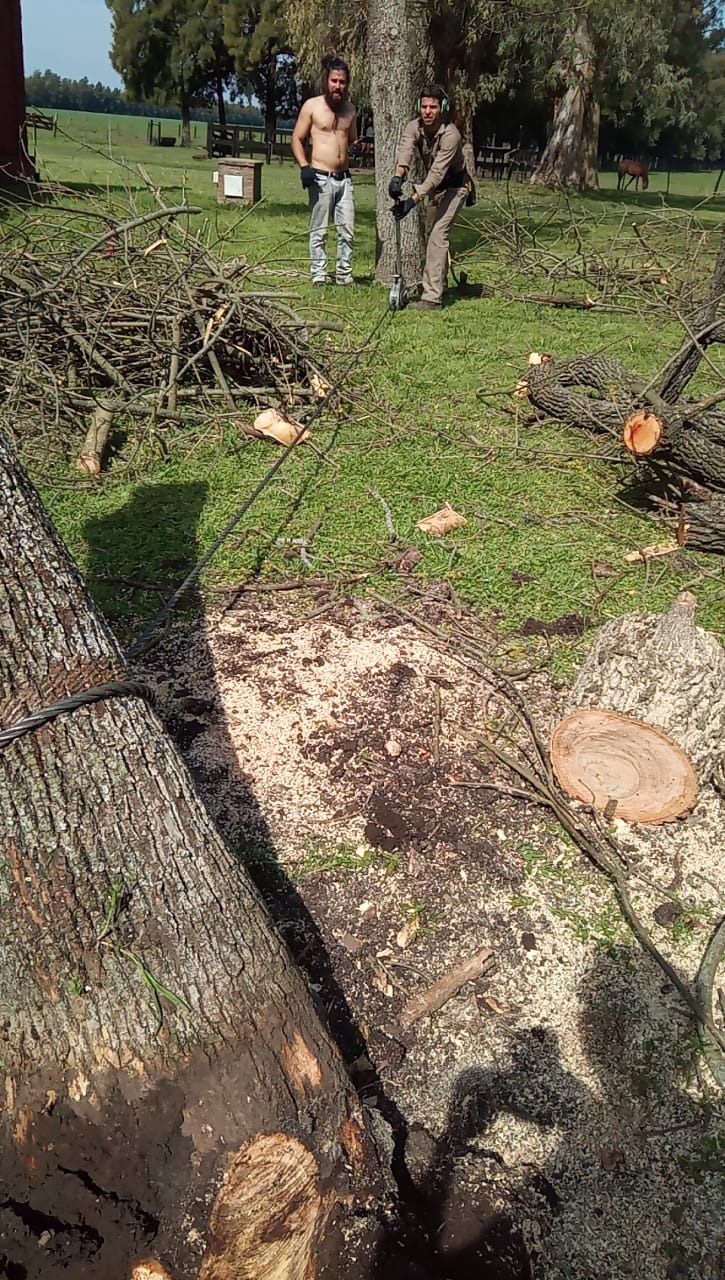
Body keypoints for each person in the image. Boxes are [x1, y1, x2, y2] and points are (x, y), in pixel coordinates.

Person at [389, 85, 474, 310]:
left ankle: (432, 298)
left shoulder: (451, 135)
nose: (428, 111)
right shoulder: (413, 127)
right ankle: (441, 285)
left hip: (456, 186)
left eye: (433, 107)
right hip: (436, 190)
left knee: (438, 234)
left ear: (442, 108)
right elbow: (405, 150)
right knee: (433, 235)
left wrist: (412, 201)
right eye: (424, 106)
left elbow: (436, 173)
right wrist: (398, 177)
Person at [291, 56, 357, 287]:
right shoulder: (312, 106)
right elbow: (297, 139)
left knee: (347, 230)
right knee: (319, 230)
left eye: (342, 82)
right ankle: (318, 274)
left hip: (344, 179)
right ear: (326, 81)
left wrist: (356, 148)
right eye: (334, 81)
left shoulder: (350, 109)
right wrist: (304, 167)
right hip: (320, 177)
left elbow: (352, 140)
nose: (338, 86)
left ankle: (344, 275)